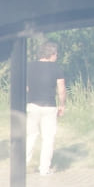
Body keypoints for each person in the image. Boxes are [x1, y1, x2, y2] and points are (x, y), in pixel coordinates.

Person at [25, 41, 67, 175]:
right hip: (49, 106)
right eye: (56, 54)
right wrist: (62, 105)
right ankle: (44, 169)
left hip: (32, 104)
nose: (57, 56)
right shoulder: (56, 68)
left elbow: (26, 87)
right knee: (48, 138)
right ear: (51, 54)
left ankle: (22, 165)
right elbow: (61, 89)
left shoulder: (29, 66)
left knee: (31, 135)